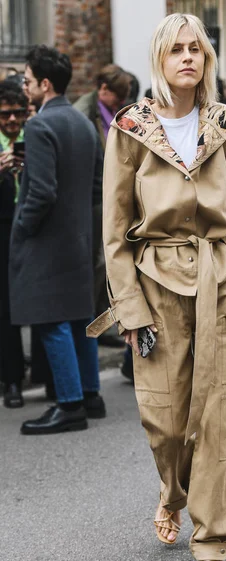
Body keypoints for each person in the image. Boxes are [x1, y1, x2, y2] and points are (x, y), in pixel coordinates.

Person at [87, 13, 226, 561]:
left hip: (217, 282)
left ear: (206, 60)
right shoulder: (131, 128)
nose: (187, 57)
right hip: (155, 286)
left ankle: (212, 546)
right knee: (164, 421)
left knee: (217, 421)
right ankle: (172, 490)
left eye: (196, 49)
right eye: (176, 49)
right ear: (160, 60)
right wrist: (131, 308)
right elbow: (115, 233)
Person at [9, 45, 105, 434]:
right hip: (79, 237)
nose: (25, 87)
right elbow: (97, 186)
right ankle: (90, 395)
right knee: (81, 316)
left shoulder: (39, 125)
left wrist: (21, 228)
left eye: (28, 80)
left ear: (45, 84)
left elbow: (42, 192)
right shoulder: (83, 122)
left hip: (47, 240)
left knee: (52, 321)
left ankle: (68, 404)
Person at [74, 65, 131, 347]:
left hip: (112, 195)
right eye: (117, 96)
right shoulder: (83, 113)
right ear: (103, 88)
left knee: (111, 261)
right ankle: (94, 323)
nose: (120, 103)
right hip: (95, 198)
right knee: (101, 262)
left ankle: (102, 322)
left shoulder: (110, 111)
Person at [0, 81, 28, 407]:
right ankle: (12, 380)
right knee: (6, 308)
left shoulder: (30, 138)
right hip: (3, 227)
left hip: (29, 227)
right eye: (6, 114)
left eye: (18, 113)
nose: (12, 120)